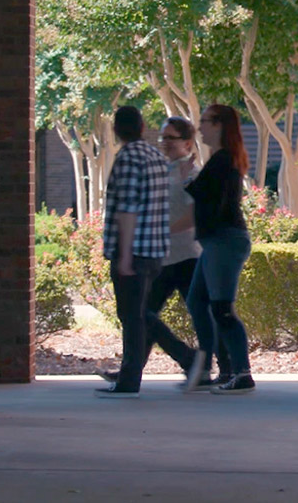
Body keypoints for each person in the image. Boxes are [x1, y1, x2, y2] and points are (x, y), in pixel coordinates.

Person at [98, 116, 231, 391]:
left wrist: (162, 229)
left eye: (170, 138)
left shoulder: (193, 173)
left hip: (187, 257)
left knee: (197, 314)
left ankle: (225, 369)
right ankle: (131, 371)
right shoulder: (166, 169)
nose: (164, 143)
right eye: (162, 137)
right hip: (164, 258)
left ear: (187, 142)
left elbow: (196, 214)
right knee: (144, 313)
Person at [95, 106, 170, 399]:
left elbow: (127, 210)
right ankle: (185, 358)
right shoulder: (155, 157)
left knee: (132, 316)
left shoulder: (127, 158)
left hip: (134, 251)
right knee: (140, 314)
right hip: (155, 250)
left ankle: (130, 379)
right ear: (141, 126)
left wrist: (123, 255)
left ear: (117, 130)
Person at [185, 104, 256, 395]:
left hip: (224, 240)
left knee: (222, 309)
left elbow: (198, 195)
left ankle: (242, 373)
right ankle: (225, 366)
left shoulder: (223, 160)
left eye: (204, 122)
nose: (199, 127)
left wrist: (182, 175)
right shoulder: (221, 159)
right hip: (218, 240)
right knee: (197, 300)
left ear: (219, 125)